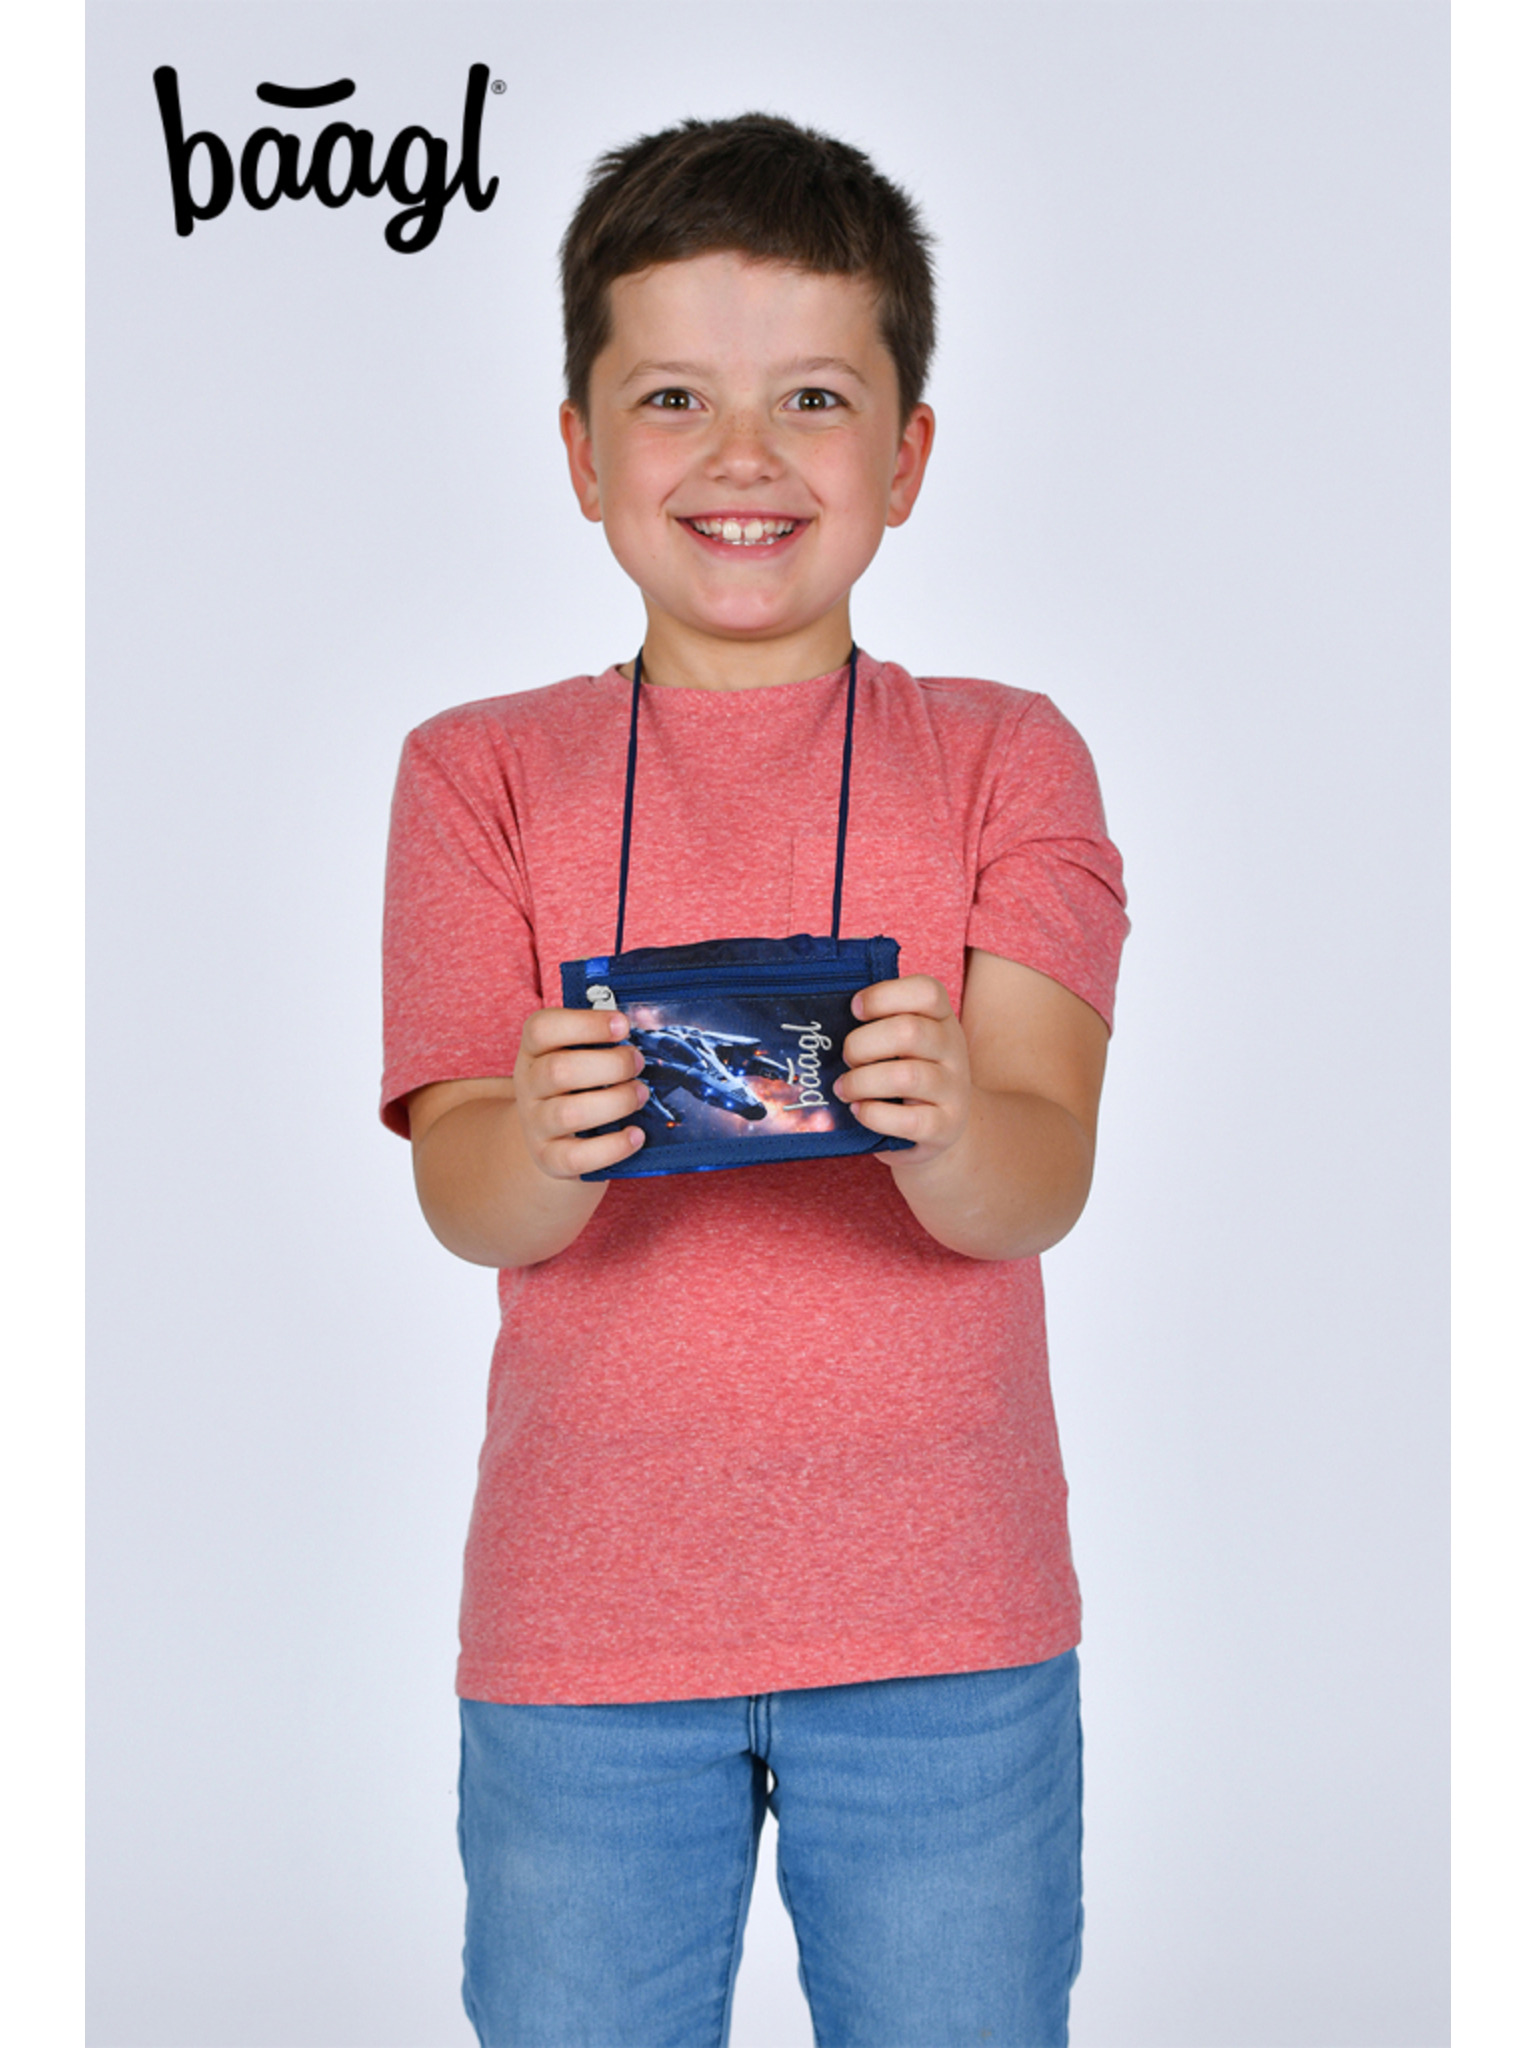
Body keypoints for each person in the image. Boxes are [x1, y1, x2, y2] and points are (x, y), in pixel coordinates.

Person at [381, 112, 1128, 2048]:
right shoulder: (477, 772)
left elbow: (1042, 1175)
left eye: (812, 396)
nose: (741, 456)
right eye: (670, 399)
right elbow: (460, 1190)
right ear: (580, 453)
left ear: (908, 455)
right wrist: (543, 1143)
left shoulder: (1008, 757)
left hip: (949, 1617)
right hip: (583, 1623)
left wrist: (950, 1123)